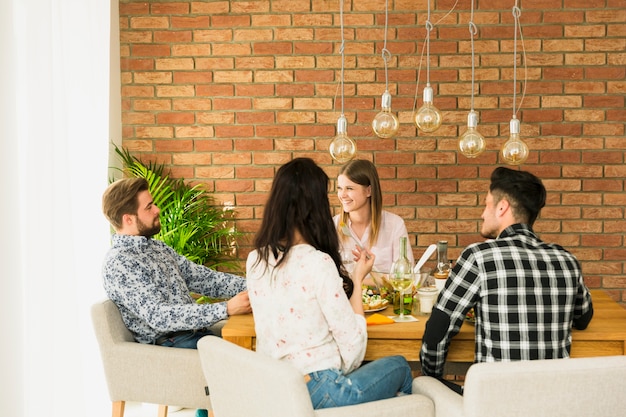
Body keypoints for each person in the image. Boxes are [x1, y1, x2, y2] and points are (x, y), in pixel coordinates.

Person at [246, 158, 413, 409]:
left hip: (276, 390)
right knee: (400, 366)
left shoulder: (255, 259)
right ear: (315, 207)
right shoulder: (317, 262)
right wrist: (356, 279)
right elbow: (353, 349)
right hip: (320, 391)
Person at [420, 167, 594, 394]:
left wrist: (432, 375)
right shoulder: (566, 260)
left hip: (495, 402)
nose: (483, 213)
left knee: (420, 385)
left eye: (486, 204)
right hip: (553, 402)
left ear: (502, 207)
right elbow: (583, 318)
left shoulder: (479, 256)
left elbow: (438, 328)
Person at [101, 177, 251, 348]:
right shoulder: (119, 264)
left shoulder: (157, 248)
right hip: (173, 345)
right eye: (149, 207)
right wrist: (226, 309)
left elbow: (203, 279)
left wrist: (255, 286)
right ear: (128, 219)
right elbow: (160, 317)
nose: (157, 209)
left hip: (196, 334)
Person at [334, 159, 414, 278]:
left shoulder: (395, 225)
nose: (342, 195)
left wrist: (356, 280)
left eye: (349, 188)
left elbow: (406, 277)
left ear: (368, 191)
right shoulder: (332, 226)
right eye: (340, 188)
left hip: (385, 297)